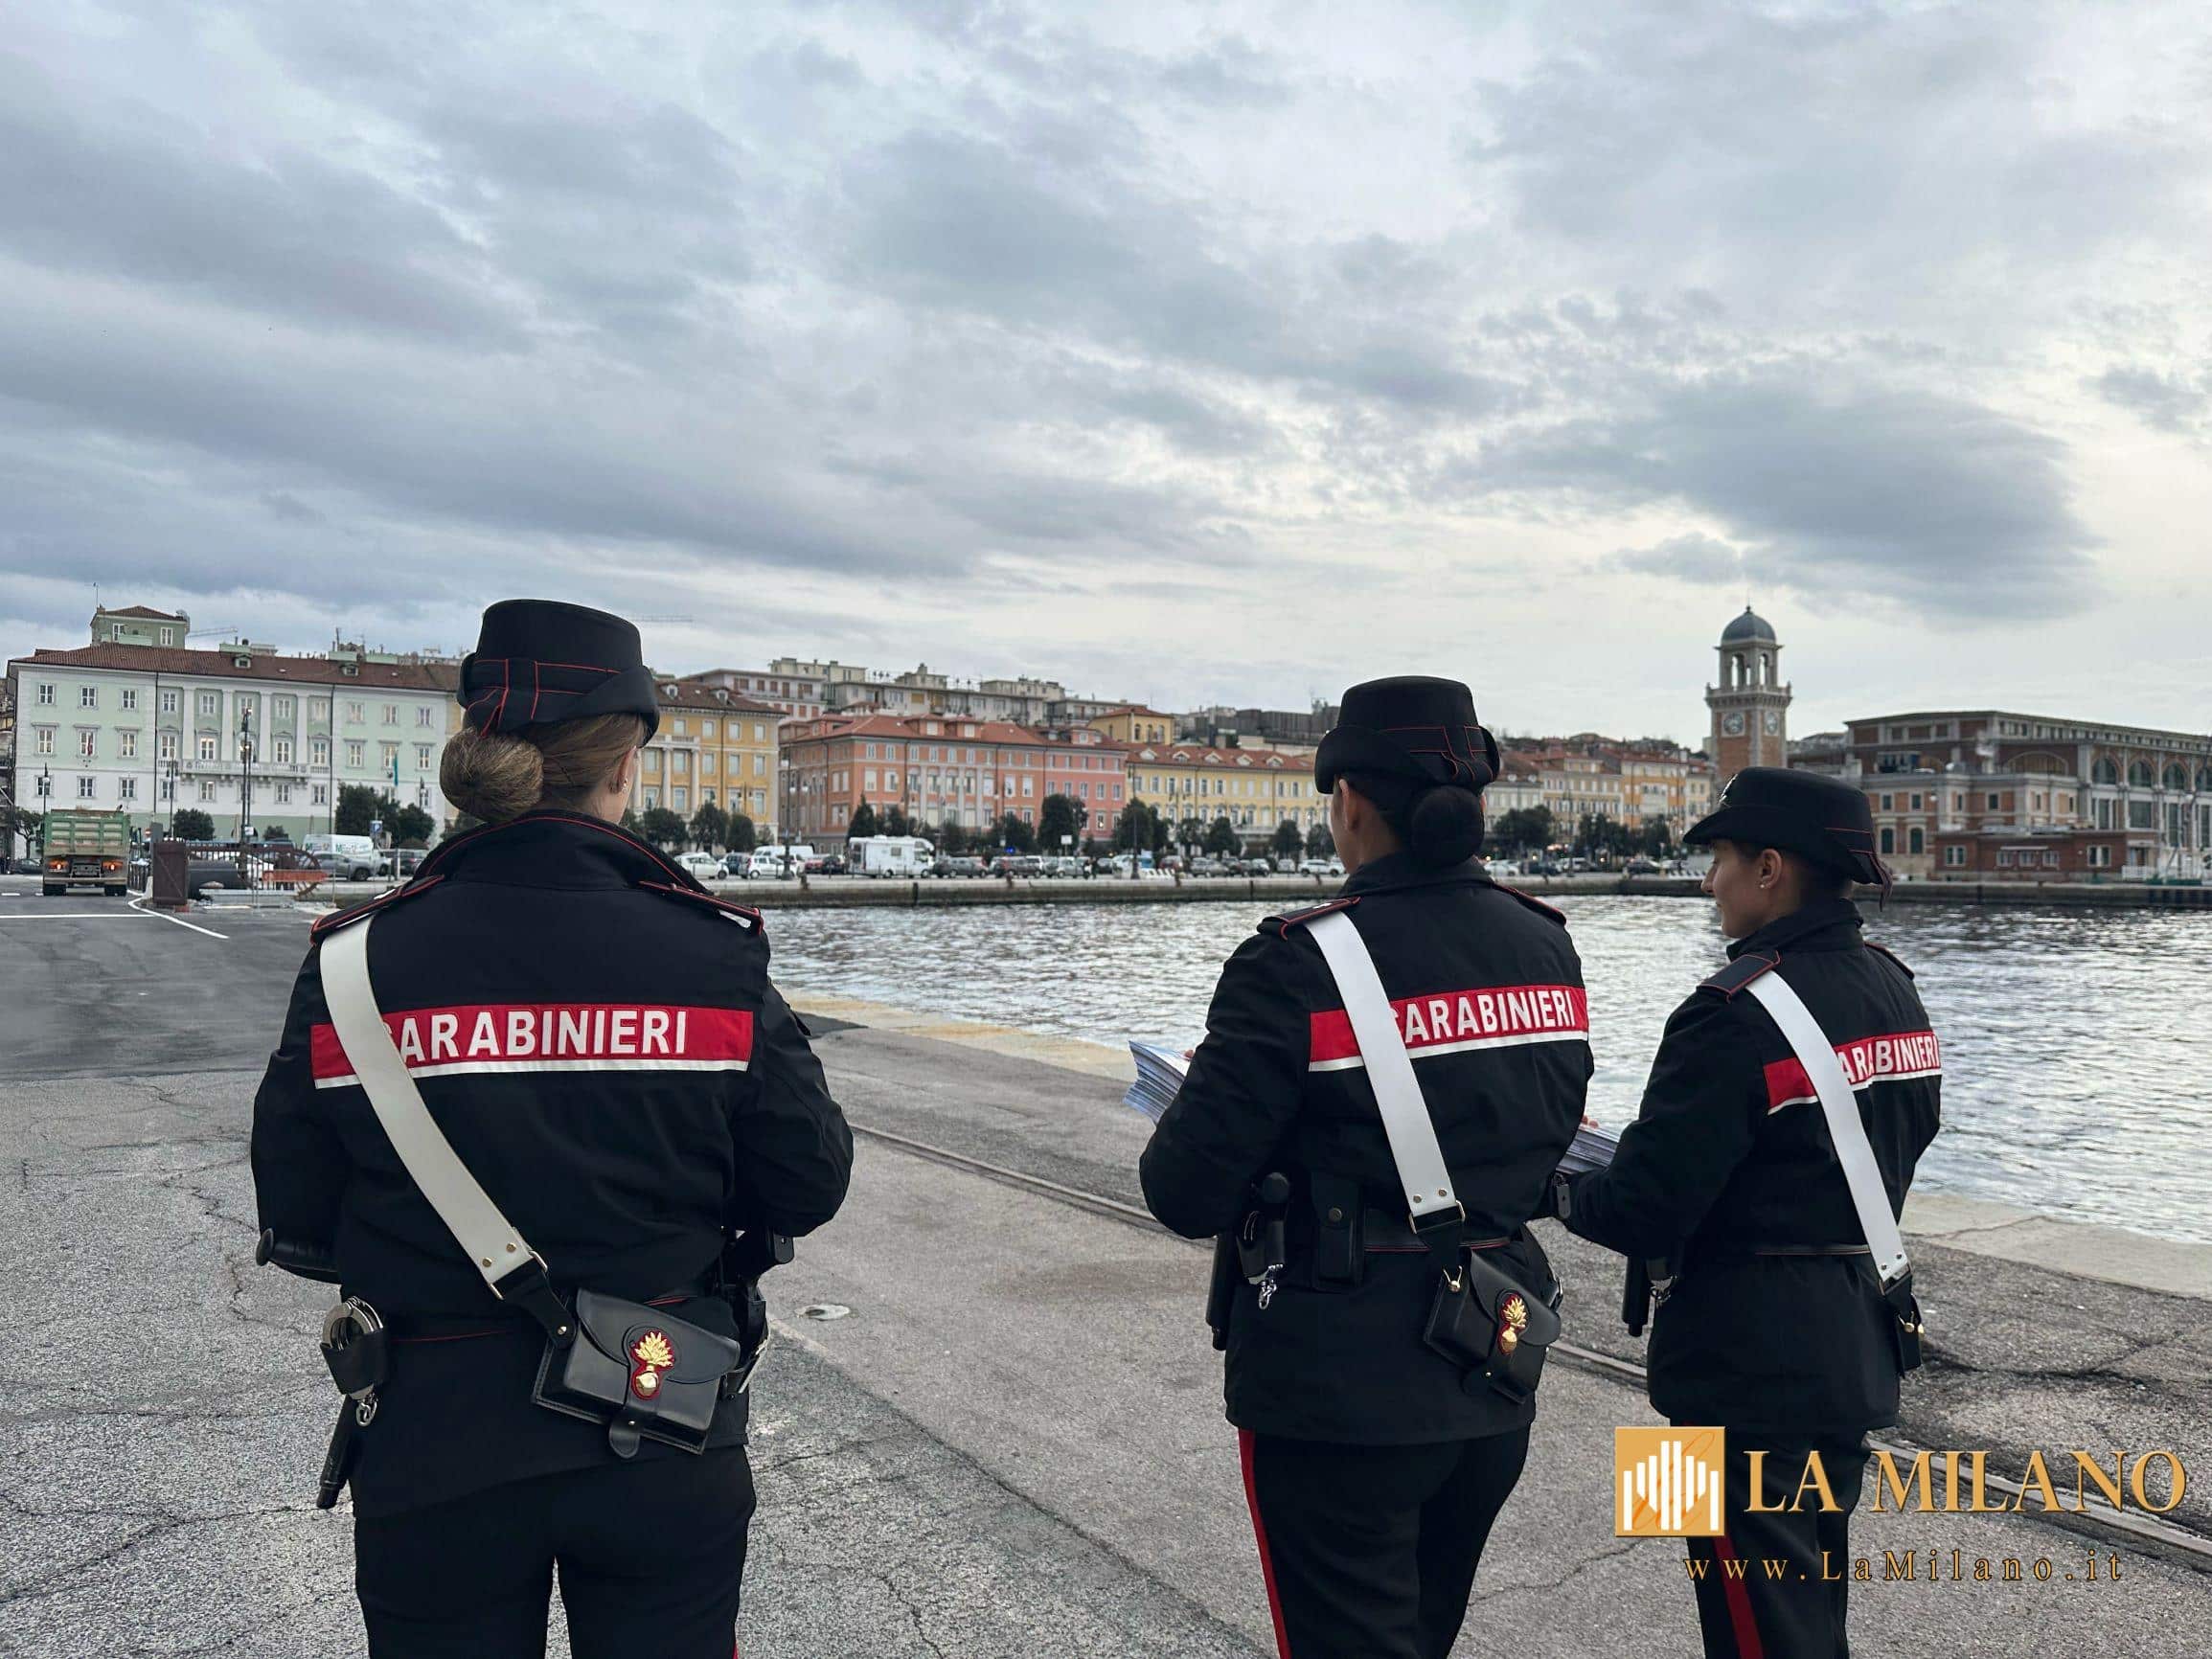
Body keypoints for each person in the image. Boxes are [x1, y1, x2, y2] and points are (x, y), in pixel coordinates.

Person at [251, 599, 854, 1659]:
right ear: (623, 764)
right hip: (659, 1411)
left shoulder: (353, 962)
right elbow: (805, 1181)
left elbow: (296, 1211)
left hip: (434, 1441)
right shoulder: (709, 955)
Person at [1139, 676, 1591, 1659]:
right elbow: (1546, 1127)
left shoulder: (1293, 964)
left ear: (1347, 803)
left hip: (1337, 1384)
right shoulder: (1546, 945)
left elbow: (1182, 1190)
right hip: (1491, 1358)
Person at [1542, 766, 1940, 1659]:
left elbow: (1646, 1210)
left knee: (1750, 1622)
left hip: (1729, 1365)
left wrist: (1553, 1182)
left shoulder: (1726, 1013)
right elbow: (1897, 1144)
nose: (1706, 880)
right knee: (1804, 1600)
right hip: (1850, 1341)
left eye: (1718, 858)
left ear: (1769, 869)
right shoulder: (1894, 984)